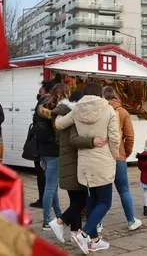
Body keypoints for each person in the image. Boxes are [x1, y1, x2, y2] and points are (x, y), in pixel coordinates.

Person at [56, 82, 120, 254]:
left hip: (84, 163)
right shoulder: (108, 110)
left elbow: (59, 124)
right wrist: (114, 155)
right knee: (105, 202)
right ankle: (84, 234)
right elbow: (114, 137)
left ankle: (93, 241)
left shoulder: (77, 110)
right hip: (103, 161)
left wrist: (57, 112)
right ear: (100, 94)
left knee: (91, 201)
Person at [46, 90, 101, 244]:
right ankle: (59, 222)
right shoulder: (73, 117)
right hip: (75, 164)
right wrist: (92, 141)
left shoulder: (62, 115)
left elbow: (61, 140)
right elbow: (74, 140)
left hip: (66, 162)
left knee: (75, 201)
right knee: (82, 201)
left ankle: (74, 234)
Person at [101, 86, 142, 231]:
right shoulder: (123, 112)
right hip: (118, 156)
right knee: (124, 189)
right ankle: (131, 221)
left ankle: (98, 224)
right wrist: (126, 153)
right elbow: (130, 136)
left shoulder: (99, 110)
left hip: (102, 156)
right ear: (116, 96)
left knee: (101, 192)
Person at [35, 82, 61, 226]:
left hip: (42, 150)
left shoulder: (40, 106)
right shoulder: (54, 109)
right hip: (53, 151)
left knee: (52, 185)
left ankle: (58, 214)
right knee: (50, 186)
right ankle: (46, 221)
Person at [29, 81, 55, 209]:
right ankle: (48, 202)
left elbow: (38, 122)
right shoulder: (54, 102)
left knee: (42, 172)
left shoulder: (44, 102)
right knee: (49, 175)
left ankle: (43, 201)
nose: (39, 94)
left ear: (45, 90)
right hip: (50, 142)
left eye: (40, 91)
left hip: (42, 142)